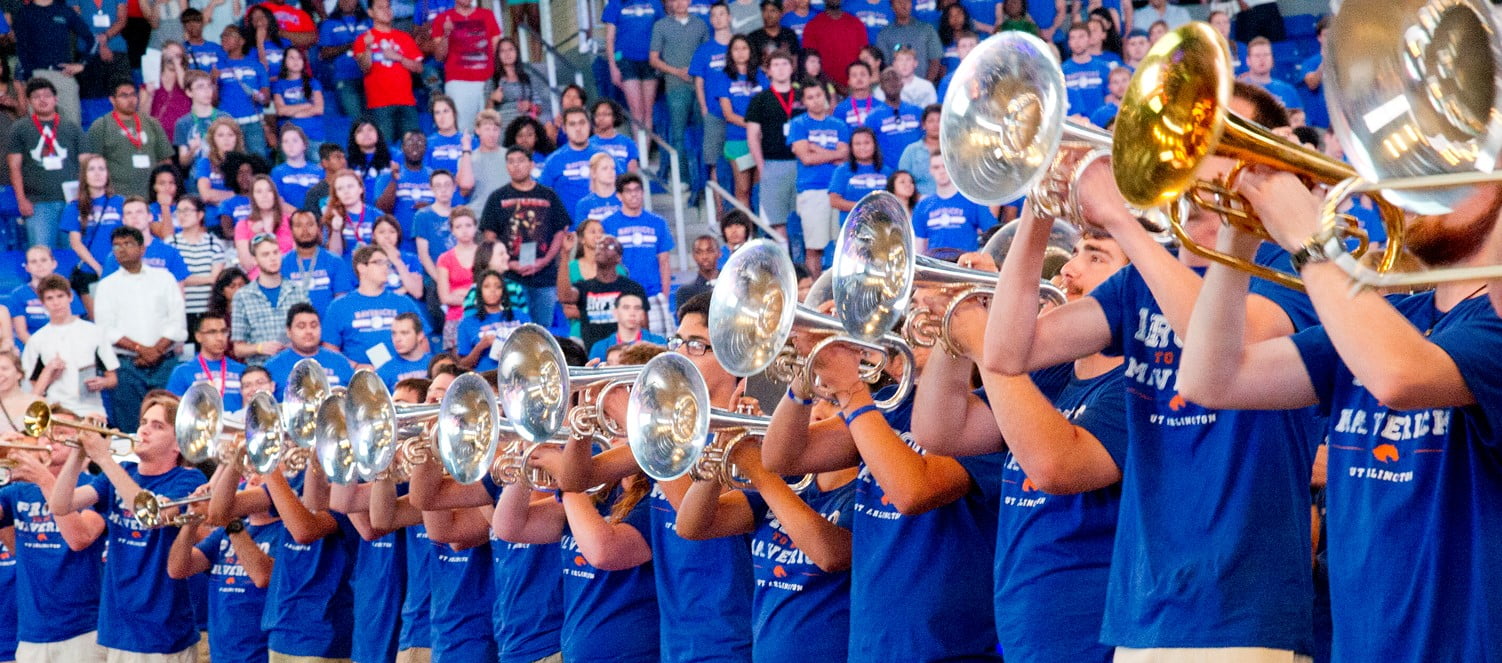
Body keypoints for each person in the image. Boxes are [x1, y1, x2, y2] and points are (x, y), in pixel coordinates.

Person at [984, 85, 1322, 661]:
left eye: (1213, 139)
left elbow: (1223, 337)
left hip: (1242, 606)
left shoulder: (1292, 269)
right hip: (1141, 607)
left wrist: (1121, 220)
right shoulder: (1141, 279)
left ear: (1264, 160)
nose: (1184, 153)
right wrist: (1038, 209)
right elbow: (1009, 352)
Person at [1175, 167, 1502, 660]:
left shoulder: (1486, 330)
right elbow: (1208, 379)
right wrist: (1237, 236)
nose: (1413, 182)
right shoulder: (1392, 322)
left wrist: (1312, 240)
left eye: (1450, 168)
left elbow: (1398, 376)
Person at [913, 227, 1130, 663]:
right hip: (1028, 640)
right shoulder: (1053, 378)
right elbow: (938, 431)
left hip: (1093, 639)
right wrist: (957, 323)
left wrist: (985, 339)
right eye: (1074, 252)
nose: (1068, 269)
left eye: (1096, 256)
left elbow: (1056, 467)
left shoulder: (1135, 387)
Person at [49, 391, 205, 660]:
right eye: (144, 422)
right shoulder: (123, 472)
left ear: (179, 444)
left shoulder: (188, 479)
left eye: (157, 426)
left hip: (161, 631)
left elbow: (152, 516)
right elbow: (61, 505)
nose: (144, 431)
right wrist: (78, 454)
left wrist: (104, 459)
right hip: (115, 626)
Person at [203, 422, 358, 662]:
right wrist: (238, 457)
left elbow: (304, 530)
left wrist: (268, 463)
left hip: (322, 631)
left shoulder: (349, 489)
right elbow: (220, 511)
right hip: (282, 626)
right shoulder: (294, 484)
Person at [0, 403, 109, 661]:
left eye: (60, 432)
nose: (50, 438)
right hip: (30, 633)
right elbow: (15, 547)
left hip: (83, 630)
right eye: (44, 431)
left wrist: (44, 479)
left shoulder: (94, 486)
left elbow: (79, 538)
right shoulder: (17, 490)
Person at [165, 477, 278, 663]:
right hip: (221, 654)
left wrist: (228, 518)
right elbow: (178, 568)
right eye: (250, 477)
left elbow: (262, 576)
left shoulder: (283, 531)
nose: (254, 479)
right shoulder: (224, 534)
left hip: (261, 655)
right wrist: (192, 520)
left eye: (262, 477)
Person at [94, 226, 187, 431]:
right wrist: (142, 349)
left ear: (142, 248)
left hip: (165, 363)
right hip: (127, 366)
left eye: (127, 244)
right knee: (131, 428)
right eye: (116, 245)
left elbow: (177, 322)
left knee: (169, 425)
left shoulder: (164, 278)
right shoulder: (107, 285)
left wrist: (156, 351)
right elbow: (105, 330)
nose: (121, 249)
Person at [481, 147, 571, 327]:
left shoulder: (548, 195)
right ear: (506, 166)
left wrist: (544, 261)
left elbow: (561, 232)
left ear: (531, 165)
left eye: (520, 160)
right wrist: (508, 263)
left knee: (543, 331)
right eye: (511, 161)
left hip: (545, 276)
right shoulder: (497, 198)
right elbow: (489, 237)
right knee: (514, 329)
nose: (516, 166)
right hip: (509, 277)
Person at [21, 275, 119, 419]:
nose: (56, 303)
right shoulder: (36, 340)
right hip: (55, 412)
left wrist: (102, 382)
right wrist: (49, 374)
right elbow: (31, 387)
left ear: (70, 297)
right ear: (43, 303)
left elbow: (113, 378)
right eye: (50, 298)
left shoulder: (95, 332)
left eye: (60, 296)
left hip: (91, 411)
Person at [323, 245, 432, 367]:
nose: (386, 268)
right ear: (362, 268)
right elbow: (330, 350)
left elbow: (423, 342)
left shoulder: (403, 302)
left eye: (387, 263)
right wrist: (357, 367)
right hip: (359, 377)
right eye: (379, 262)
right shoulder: (339, 306)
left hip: (402, 376)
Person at [8, 80, 85, 250]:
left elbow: (85, 164)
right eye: (36, 97)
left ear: (55, 99)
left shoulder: (71, 127)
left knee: (73, 252)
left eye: (47, 96)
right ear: (28, 101)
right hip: (37, 204)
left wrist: (84, 197)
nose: (42, 100)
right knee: (42, 255)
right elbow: (14, 167)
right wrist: (21, 200)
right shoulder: (20, 129)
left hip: (71, 202)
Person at [787, 83, 848, 276]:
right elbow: (806, 158)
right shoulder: (798, 124)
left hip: (839, 190)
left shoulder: (839, 124)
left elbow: (845, 157)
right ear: (804, 102)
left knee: (843, 247)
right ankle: (813, 295)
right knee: (814, 247)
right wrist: (833, 154)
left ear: (826, 97)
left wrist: (816, 149)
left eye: (819, 95)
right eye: (810, 97)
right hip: (812, 190)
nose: (816, 100)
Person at [601, 173, 675, 332]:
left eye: (637, 190)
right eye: (628, 191)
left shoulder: (658, 223)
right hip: (621, 296)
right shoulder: (608, 224)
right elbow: (605, 264)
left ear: (642, 192)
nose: (634, 194)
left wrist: (665, 295)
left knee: (661, 347)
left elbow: (664, 262)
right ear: (619, 196)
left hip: (653, 294)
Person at [650, 0, 709, 187]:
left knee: (703, 133)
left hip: (699, 87)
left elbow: (706, 55)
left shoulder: (700, 24)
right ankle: (683, 178)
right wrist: (677, 72)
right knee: (678, 134)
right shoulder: (661, 26)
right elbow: (653, 59)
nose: (680, 3)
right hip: (675, 86)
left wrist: (695, 71)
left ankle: (703, 178)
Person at [744, 50, 803, 235]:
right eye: (775, 65)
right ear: (768, 71)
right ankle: (783, 261)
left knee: (801, 219)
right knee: (776, 221)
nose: (780, 69)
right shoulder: (760, 100)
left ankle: (801, 263)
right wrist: (762, 167)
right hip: (773, 163)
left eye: (784, 64)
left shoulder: (804, 95)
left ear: (792, 68)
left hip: (803, 163)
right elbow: (753, 135)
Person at [14, 0, 98, 129]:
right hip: (37, 76)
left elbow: (91, 39)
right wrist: (28, 78)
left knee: (72, 128)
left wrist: (82, 64)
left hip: (63, 75)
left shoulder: (64, 11)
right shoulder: (24, 13)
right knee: (39, 131)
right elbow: (21, 49)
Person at [82, 79, 172, 199]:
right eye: (124, 96)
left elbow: (165, 160)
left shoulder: (152, 123)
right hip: (116, 197)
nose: (130, 100)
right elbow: (92, 163)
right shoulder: (101, 125)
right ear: (112, 100)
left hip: (151, 195)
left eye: (133, 95)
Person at [231, 234, 313, 366]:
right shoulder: (242, 296)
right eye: (265, 254)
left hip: (294, 365)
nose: (272, 258)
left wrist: (296, 344)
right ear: (255, 260)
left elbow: (311, 332)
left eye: (275, 252)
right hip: (260, 370)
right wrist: (260, 348)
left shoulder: (298, 291)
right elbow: (238, 349)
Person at [560, 234, 651, 351]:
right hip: (594, 357)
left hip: (626, 356)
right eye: (599, 245)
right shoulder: (584, 287)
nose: (602, 247)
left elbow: (644, 327)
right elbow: (564, 296)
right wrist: (565, 254)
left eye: (609, 246)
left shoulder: (633, 288)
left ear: (619, 258)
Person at [710, 35, 767, 208]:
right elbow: (728, 114)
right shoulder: (724, 78)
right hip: (737, 140)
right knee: (743, 190)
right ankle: (746, 232)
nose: (741, 53)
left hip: (761, 140)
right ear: (730, 53)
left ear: (751, 51)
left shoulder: (760, 75)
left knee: (759, 189)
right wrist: (754, 126)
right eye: (736, 49)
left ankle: (761, 230)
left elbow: (767, 104)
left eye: (744, 48)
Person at [355, 0, 424, 142]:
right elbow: (365, 68)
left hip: (406, 101)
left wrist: (397, 57)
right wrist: (368, 47)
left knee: (413, 145)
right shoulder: (363, 39)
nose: (386, 11)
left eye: (388, 7)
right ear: (370, 12)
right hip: (379, 104)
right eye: (380, 8)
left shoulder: (404, 37)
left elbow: (419, 67)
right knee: (385, 148)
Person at [433, 0, 502, 133]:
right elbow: (439, 56)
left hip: (487, 81)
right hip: (459, 83)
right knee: (464, 131)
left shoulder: (488, 15)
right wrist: (446, 34)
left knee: (491, 130)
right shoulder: (442, 19)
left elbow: (496, 50)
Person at [263, 302, 357, 395]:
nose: (309, 331)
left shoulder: (340, 361)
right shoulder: (272, 367)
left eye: (314, 325)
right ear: (288, 331)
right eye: (301, 326)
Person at [165, 195, 229, 333]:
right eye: (179, 211)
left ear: (200, 215)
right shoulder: (170, 244)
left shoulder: (214, 243)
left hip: (208, 310)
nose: (182, 215)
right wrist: (207, 278)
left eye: (187, 210)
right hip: (180, 312)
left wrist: (185, 279)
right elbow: (171, 279)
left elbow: (217, 279)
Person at [559, 219, 629, 338]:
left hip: (614, 336)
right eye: (592, 232)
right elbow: (568, 311)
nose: (598, 235)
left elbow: (625, 308)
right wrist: (604, 311)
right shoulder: (571, 268)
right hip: (580, 334)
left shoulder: (618, 270)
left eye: (601, 231)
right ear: (582, 239)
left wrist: (584, 309)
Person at [603, 0, 663, 136]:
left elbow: (662, 31)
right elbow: (609, 39)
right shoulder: (616, 3)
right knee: (637, 111)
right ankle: (639, 152)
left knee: (648, 111)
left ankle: (644, 155)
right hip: (626, 61)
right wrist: (613, 68)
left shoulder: (655, 3)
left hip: (650, 61)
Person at [8, 248, 88, 348]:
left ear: (54, 264)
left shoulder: (68, 292)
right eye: (33, 261)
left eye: (44, 260)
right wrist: (42, 351)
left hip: (66, 346)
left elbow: (74, 326)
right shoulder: (18, 295)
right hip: (32, 348)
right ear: (27, 268)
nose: (39, 265)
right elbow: (21, 332)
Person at [166, 311, 246, 409]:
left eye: (224, 331)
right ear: (198, 336)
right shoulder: (182, 371)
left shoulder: (241, 370)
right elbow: (173, 409)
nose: (220, 338)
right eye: (212, 332)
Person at [282, 209, 354, 312]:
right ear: (291, 230)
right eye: (298, 225)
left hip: (327, 325)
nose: (305, 230)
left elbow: (342, 301)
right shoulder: (282, 263)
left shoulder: (334, 261)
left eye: (310, 224)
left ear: (318, 228)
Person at [215, 25, 272, 155]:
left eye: (229, 35)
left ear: (242, 41)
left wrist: (260, 97)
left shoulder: (256, 65)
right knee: (231, 163)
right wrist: (213, 81)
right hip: (227, 124)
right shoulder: (217, 67)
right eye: (222, 36)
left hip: (253, 123)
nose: (224, 38)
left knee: (259, 161)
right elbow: (213, 101)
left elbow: (267, 99)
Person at [373, 132, 438, 242]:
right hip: (398, 242)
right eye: (410, 141)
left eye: (420, 142)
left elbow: (449, 210)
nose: (415, 145)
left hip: (430, 239)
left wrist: (431, 208)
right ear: (402, 147)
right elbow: (381, 210)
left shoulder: (436, 177)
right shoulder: (387, 176)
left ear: (426, 148)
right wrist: (394, 181)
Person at [540, 107, 607, 212]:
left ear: (589, 125)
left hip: (603, 225)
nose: (578, 128)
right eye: (572, 124)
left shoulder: (606, 156)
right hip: (569, 227)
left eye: (582, 123)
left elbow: (622, 188)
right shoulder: (553, 161)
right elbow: (542, 198)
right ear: (564, 129)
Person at [828, 127, 891, 225]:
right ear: (851, 147)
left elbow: (892, 200)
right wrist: (864, 208)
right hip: (852, 228)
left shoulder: (887, 171)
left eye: (867, 143)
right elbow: (834, 201)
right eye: (857, 144)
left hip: (881, 226)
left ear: (875, 145)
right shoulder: (842, 170)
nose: (862, 147)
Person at [436, 206, 481, 343]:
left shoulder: (485, 254)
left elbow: (492, 290)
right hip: (455, 318)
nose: (464, 230)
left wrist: (462, 294)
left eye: (468, 225)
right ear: (452, 230)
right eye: (459, 226)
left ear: (475, 227)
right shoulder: (444, 259)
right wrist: (474, 297)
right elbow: (445, 298)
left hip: (483, 316)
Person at [800, 0, 866, 89]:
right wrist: (834, 87)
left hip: (856, 87)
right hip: (825, 89)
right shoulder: (812, 26)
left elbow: (864, 57)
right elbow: (810, 62)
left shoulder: (856, 23)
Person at [271, 48, 326, 150]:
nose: (296, 61)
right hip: (290, 137)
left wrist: (294, 114)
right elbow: (280, 111)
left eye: (299, 58)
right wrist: (306, 106)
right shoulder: (278, 84)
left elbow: (319, 109)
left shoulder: (313, 82)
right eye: (291, 58)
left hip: (314, 134)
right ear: (284, 61)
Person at [587, 292, 665, 361]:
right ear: (615, 313)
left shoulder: (658, 343)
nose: (632, 313)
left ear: (643, 314)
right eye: (626, 307)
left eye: (637, 308)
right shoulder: (600, 348)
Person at [877, 0, 942, 82]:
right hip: (896, 89)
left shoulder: (927, 29)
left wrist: (926, 84)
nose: (903, 5)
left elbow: (935, 61)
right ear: (892, 7)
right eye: (899, 2)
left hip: (923, 87)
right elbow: (885, 65)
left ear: (911, 4)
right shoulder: (884, 33)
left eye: (907, 1)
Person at [1238, 37, 1304, 114]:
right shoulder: (1240, 90)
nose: (1262, 59)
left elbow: (1299, 121)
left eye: (1266, 55)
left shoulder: (1288, 91)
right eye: (1257, 55)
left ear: (1272, 59)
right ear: (1248, 61)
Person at [1061, 23, 1113, 120]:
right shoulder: (1061, 71)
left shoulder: (1103, 68)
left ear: (1089, 39)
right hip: (1074, 126)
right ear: (1069, 42)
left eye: (1081, 36)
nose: (1077, 42)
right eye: (1073, 38)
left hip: (1099, 125)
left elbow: (1110, 98)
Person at [371, 215, 425, 300]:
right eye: (381, 232)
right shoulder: (369, 260)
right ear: (373, 236)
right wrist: (404, 289)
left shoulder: (412, 259)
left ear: (398, 234)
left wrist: (397, 262)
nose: (387, 236)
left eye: (392, 232)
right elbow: (370, 293)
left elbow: (417, 292)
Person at [325, 169, 376, 258]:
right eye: (340, 189)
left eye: (350, 186)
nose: (346, 192)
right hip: (344, 269)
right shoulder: (331, 217)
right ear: (336, 194)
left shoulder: (377, 215)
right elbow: (334, 256)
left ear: (361, 189)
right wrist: (336, 231)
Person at [270, 125, 322, 211]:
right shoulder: (277, 172)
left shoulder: (318, 171)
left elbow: (324, 199)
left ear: (304, 144)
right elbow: (278, 201)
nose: (290, 145)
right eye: (285, 141)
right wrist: (298, 215)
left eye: (295, 141)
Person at [375, 312, 433, 388]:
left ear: (420, 335)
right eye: (394, 333)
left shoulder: (435, 364)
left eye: (404, 333)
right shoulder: (384, 372)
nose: (397, 339)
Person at [589, 100, 641, 176]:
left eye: (606, 114)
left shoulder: (628, 142)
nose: (601, 118)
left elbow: (632, 172)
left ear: (615, 117)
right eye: (597, 115)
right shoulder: (589, 144)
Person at [673, 234, 721, 312]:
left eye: (710, 251)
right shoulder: (685, 292)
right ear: (694, 256)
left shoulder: (731, 284)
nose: (704, 256)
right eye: (699, 252)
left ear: (719, 253)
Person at [298, 143, 349, 213]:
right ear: (324, 163)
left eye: (343, 157)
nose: (343, 161)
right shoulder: (314, 193)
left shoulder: (352, 187)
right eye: (337, 157)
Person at [576, 153, 624, 226]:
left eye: (613, 168)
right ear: (593, 173)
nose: (610, 172)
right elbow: (581, 234)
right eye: (605, 168)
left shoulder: (624, 200)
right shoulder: (584, 204)